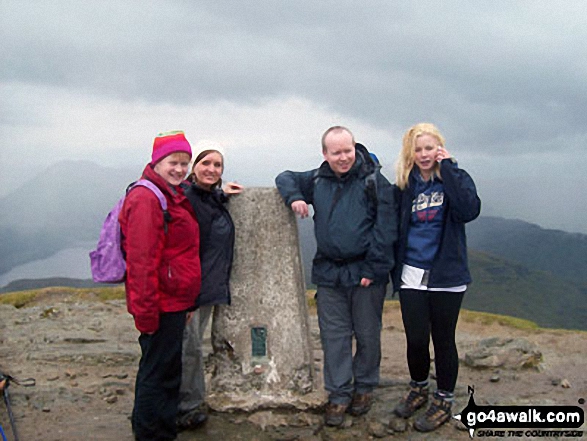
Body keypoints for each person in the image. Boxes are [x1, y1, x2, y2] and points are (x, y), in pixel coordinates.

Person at [275, 126, 396, 427]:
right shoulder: (317, 179)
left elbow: (386, 229)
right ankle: (339, 394)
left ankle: (365, 387)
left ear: (355, 148)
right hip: (329, 272)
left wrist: (373, 269)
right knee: (334, 338)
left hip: (365, 273)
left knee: (368, 334)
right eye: (336, 152)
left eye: (347, 150)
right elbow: (284, 177)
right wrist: (294, 198)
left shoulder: (374, 180)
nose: (343, 158)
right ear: (325, 154)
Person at [390, 123, 481, 432]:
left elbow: (469, 210)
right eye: (418, 149)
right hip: (411, 272)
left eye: (430, 148)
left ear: (439, 149)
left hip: (447, 273)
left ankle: (443, 399)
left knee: (443, 339)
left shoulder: (455, 178)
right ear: (410, 153)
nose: (424, 154)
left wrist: (450, 169)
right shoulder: (404, 186)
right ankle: (418, 388)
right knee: (416, 338)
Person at [119, 130, 201, 441]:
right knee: (156, 374)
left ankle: (164, 430)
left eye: (184, 162)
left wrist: (188, 302)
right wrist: (146, 315)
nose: (180, 169)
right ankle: (150, 434)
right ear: (157, 162)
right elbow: (141, 263)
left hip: (175, 302)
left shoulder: (173, 193)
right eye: (173, 162)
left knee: (167, 372)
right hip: (160, 306)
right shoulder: (146, 199)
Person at [177, 143, 243, 431]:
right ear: (194, 167)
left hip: (205, 289)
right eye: (206, 163)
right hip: (191, 291)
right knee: (187, 348)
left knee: (189, 347)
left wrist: (222, 194)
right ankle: (186, 407)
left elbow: (209, 205)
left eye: (217, 166)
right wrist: (187, 298)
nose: (212, 169)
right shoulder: (186, 199)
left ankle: (186, 403)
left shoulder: (207, 197)